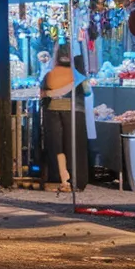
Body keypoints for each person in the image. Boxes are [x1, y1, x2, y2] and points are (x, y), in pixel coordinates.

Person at [41, 43, 89, 192]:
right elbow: (87, 92)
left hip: (52, 111)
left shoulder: (49, 75)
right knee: (74, 146)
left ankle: (62, 179)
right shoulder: (78, 75)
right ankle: (76, 180)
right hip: (74, 112)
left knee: (57, 146)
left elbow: (42, 94)